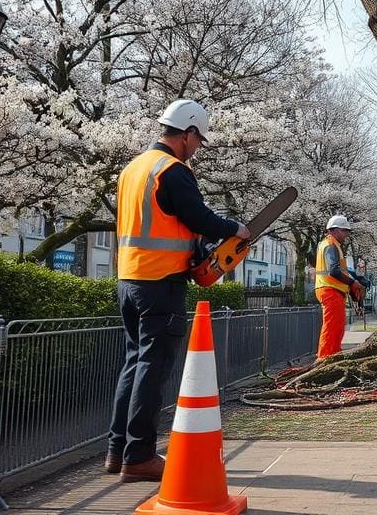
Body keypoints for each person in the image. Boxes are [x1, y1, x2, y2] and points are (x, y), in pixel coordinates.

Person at [107, 99, 251, 483]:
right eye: (198, 139)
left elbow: (167, 222)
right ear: (186, 133)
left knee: (134, 364)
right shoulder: (173, 170)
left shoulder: (133, 169)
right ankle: (138, 456)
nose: (198, 147)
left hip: (128, 279)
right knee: (152, 370)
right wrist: (233, 229)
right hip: (161, 284)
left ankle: (117, 449)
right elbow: (196, 216)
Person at [314, 215, 364, 358]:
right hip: (329, 290)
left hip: (332, 290)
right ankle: (324, 359)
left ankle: (333, 355)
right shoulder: (330, 245)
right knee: (332, 327)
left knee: (337, 327)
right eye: (344, 230)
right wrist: (352, 283)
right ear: (334, 230)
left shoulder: (332, 245)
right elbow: (334, 271)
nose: (346, 234)